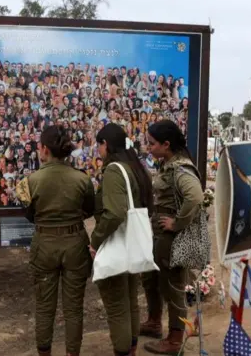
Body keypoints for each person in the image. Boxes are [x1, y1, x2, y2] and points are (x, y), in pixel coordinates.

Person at [18, 125, 95, 356]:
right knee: (73, 309)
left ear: (44, 150)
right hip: (75, 243)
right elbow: (89, 209)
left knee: (44, 308)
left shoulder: (31, 181)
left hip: (45, 243)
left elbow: (29, 215)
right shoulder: (82, 179)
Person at [89, 123, 153, 356]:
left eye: (99, 145)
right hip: (131, 243)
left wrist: (95, 241)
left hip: (116, 243)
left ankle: (123, 351)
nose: (98, 151)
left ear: (105, 144)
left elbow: (115, 213)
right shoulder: (134, 167)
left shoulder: (114, 170)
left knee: (117, 307)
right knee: (129, 302)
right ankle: (131, 349)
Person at [143, 120, 203, 355]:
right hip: (162, 236)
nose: (149, 147)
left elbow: (195, 197)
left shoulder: (180, 168)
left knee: (173, 286)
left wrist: (177, 223)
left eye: (152, 143)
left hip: (172, 238)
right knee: (159, 281)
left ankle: (175, 338)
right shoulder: (168, 164)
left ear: (166, 144)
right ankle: (157, 323)